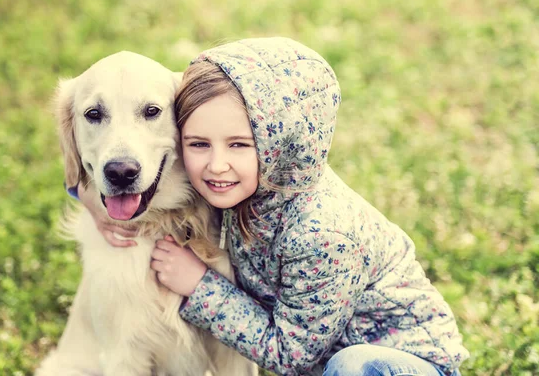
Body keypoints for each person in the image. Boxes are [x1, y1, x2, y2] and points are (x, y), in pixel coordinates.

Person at [78, 37, 469, 375]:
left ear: (277, 143)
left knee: (354, 366)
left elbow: (291, 354)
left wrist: (199, 286)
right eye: (199, 143)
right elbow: (118, 151)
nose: (216, 165)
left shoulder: (320, 233)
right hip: (322, 361)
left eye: (239, 144)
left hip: (403, 365)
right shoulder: (232, 188)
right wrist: (90, 198)